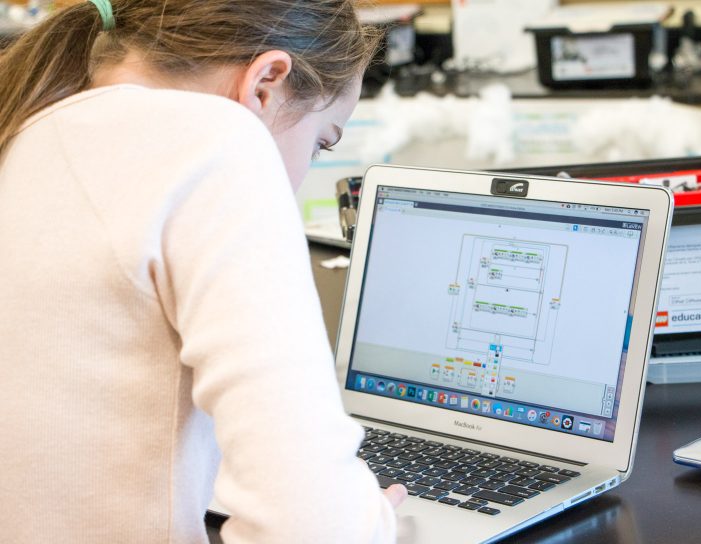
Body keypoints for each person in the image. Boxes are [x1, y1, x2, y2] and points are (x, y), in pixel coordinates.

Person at [0, 0, 406, 542]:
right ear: (265, 83)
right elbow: (312, 527)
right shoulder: (218, 141)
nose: (305, 169)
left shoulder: (30, 120)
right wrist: (363, 513)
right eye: (321, 140)